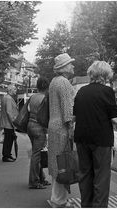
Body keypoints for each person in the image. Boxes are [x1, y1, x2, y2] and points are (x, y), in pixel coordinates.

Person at [74, 61, 117, 208]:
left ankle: (86, 205)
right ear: (105, 75)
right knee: (101, 177)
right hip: (101, 139)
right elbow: (115, 120)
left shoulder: (81, 91)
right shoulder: (108, 91)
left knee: (85, 175)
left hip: (82, 138)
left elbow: (75, 116)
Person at [47, 53, 75, 207]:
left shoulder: (53, 82)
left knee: (57, 163)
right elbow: (67, 110)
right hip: (62, 128)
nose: (73, 66)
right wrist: (71, 127)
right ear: (64, 67)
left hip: (53, 126)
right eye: (70, 63)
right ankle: (59, 199)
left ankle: (58, 196)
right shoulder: (64, 82)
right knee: (63, 163)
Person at [27, 77, 51, 189]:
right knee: (36, 155)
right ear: (47, 86)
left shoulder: (33, 97)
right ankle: (34, 181)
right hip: (39, 128)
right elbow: (45, 117)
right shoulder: (45, 98)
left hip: (30, 126)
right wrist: (46, 132)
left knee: (37, 153)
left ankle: (41, 178)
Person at [0, 84, 19, 162]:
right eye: (14, 89)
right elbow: (9, 112)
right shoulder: (8, 98)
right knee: (8, 140)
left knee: (9, 139)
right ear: (10, 90)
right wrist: (13, 123)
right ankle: (6, 156)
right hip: (9, 123)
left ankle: (7, 154)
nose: (16, 90)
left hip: (7, 123)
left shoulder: (6, 97)